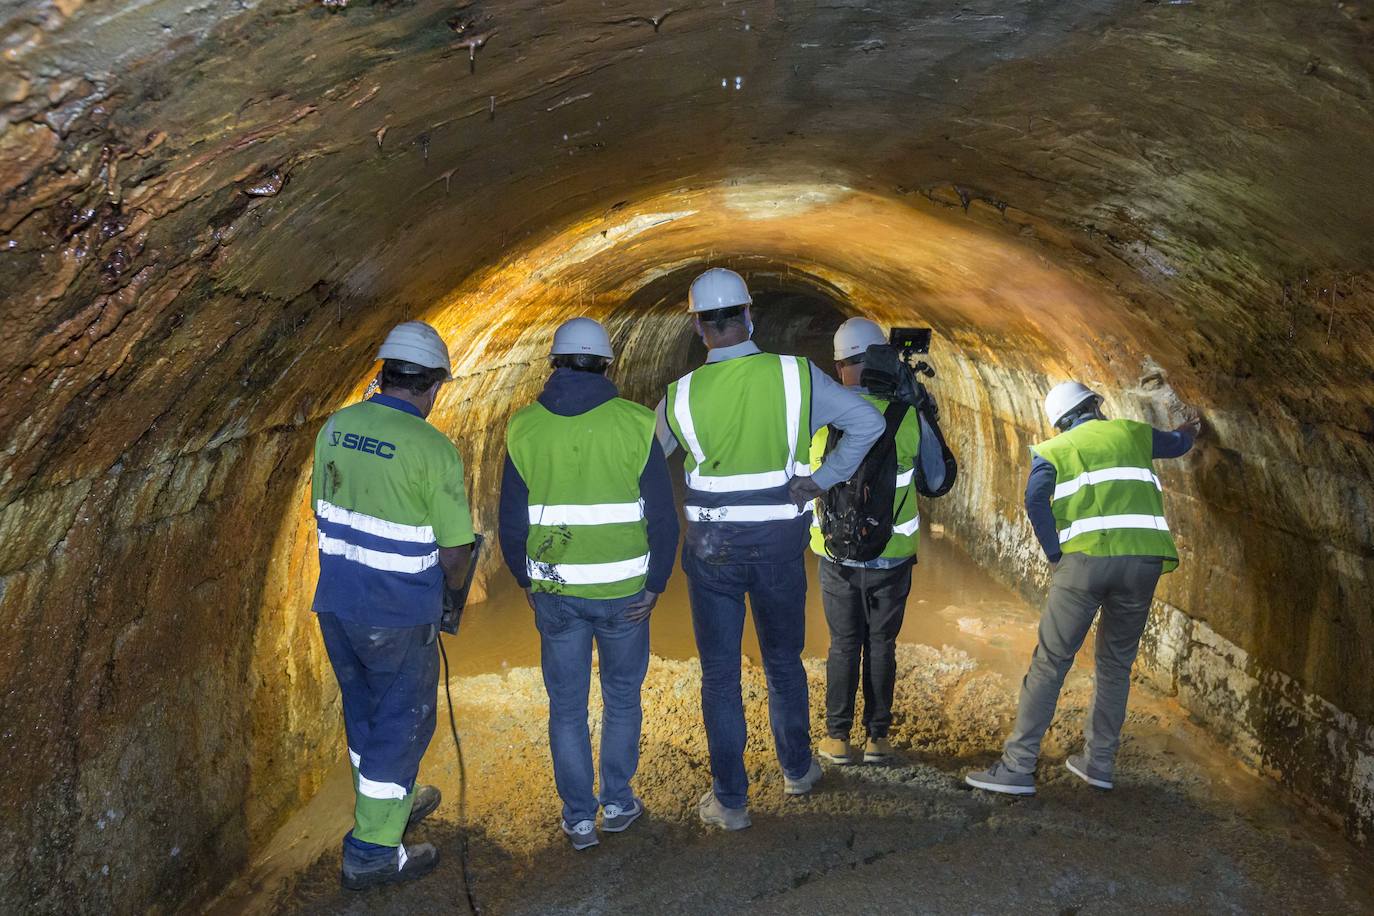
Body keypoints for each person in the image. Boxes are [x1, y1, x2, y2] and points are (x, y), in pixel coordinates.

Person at [656, 269, 885, 830]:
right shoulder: (796, 376)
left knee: (719, 674)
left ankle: (731, 803)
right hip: (779, 545)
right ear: (749, 315)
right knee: (783, 662)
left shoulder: (680, 394)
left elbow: (644, 462)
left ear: (697, 327)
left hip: (711, 551)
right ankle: (798, 770)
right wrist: (822, 478)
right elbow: (867, 422)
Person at [965, 381, 1200, 795]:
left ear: (1061, 422)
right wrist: (1194, 426)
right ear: (1094, 406)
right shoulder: (1132, 433)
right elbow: (1180, 443)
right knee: (1115, 665)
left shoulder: (1054, 451)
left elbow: (1036, 500)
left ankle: (1018, 767)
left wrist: (1055, 553)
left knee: (1051, 662)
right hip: (1142, 563)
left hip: (1084, 565)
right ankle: (1099, 763)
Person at [499, 317, 679, 850]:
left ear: (553, 363)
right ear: (607, 364)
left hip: (555, 592)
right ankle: (618, 801)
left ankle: (578, 818)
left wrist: (526, 581)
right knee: (622, 697)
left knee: (567, 706)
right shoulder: (636, 423)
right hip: (625, 593)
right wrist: (657, 583)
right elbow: (663, 518)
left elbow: (512, 520)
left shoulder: (522, 427)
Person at [311, 320, 476, 889]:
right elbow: (456, 548)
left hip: (336, 601)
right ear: (432, 385)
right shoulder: (433, 448)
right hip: (398, 613)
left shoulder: (337, 426)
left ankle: (382, 804)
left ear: (383, 375)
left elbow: (326, 506)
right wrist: (451, 594)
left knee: (365, 710)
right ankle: (374, 850)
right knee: (405, 720)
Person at [811, 318, 922, 767]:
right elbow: (938, 479)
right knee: (881, 644)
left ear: (840, 367)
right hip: (892, 555)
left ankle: (837, 739)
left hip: (835, 554)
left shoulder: (820, 417)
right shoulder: (908, 416)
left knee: (842, 643)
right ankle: (877, 739)